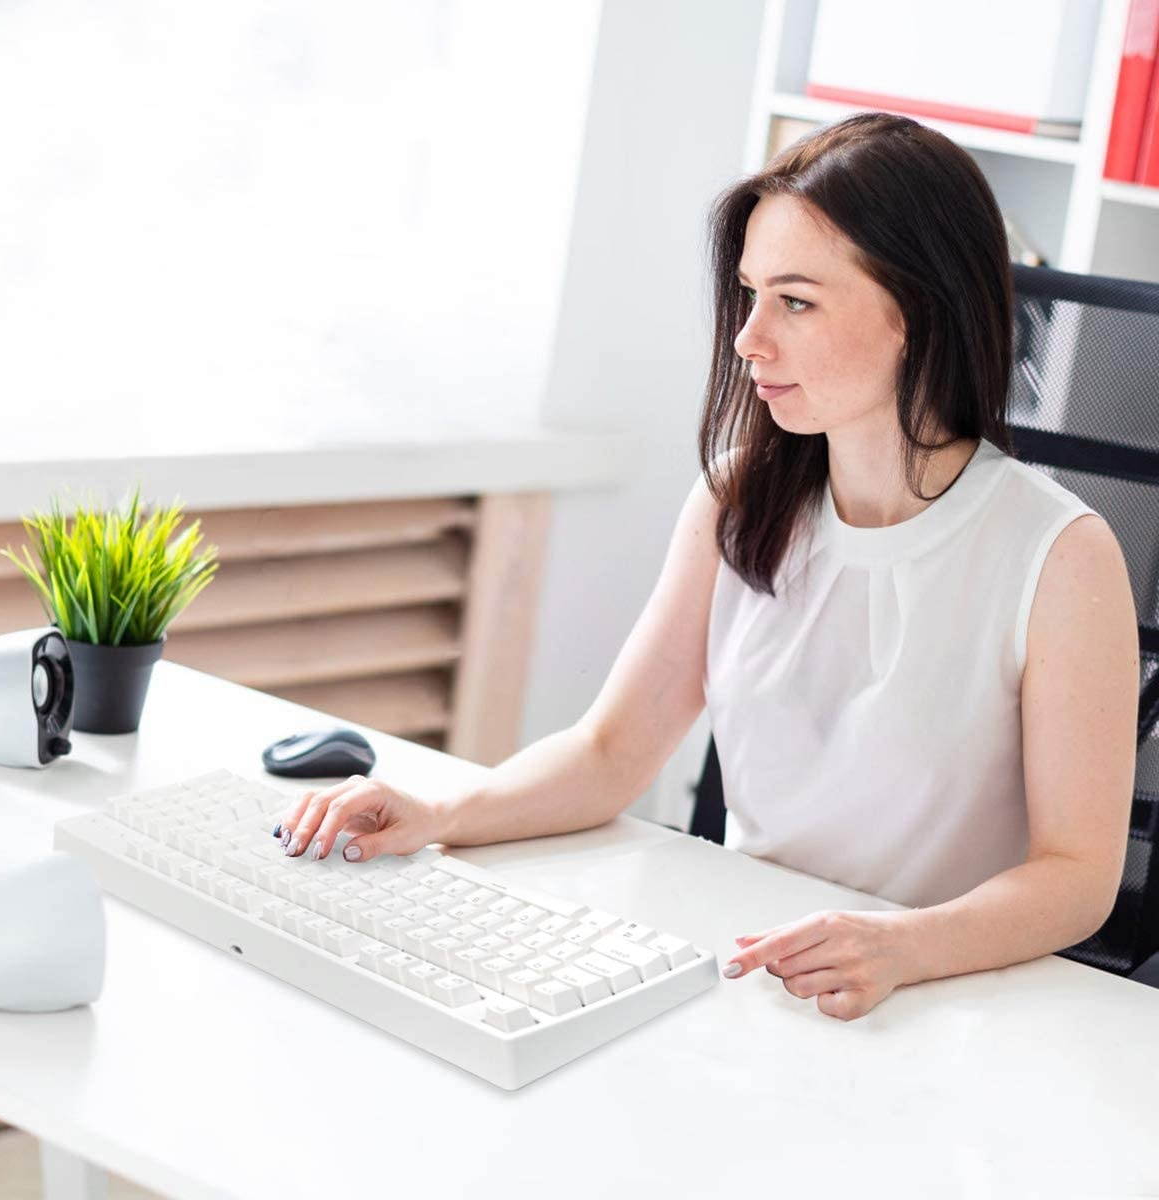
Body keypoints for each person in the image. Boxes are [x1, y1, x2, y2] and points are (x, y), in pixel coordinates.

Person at [274, 112, 1139, 1022]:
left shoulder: (1059, 556)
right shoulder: (741, 500)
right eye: (750, 294)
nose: (748, 339)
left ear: (917, 311)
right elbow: (611, 754)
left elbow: (1078, 877)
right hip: (753, 975)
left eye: (795, 302)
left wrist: (901, 945)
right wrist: (444, 813)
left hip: (942, 998)